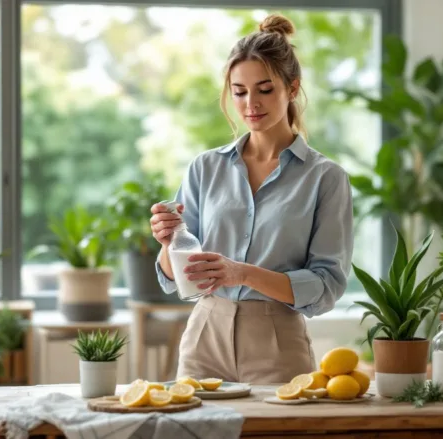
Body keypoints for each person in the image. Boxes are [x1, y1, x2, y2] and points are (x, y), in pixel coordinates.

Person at [149, 13, 354, 385]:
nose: (250, 104)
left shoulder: (326, 178)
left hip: (278, 341)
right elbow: (177, 279)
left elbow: (326, 287)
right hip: (204, 337)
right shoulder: (205, 167)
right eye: (239, 91)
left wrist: (242, 273)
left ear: (292, 89)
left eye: (265, 89)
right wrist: (168, 243)